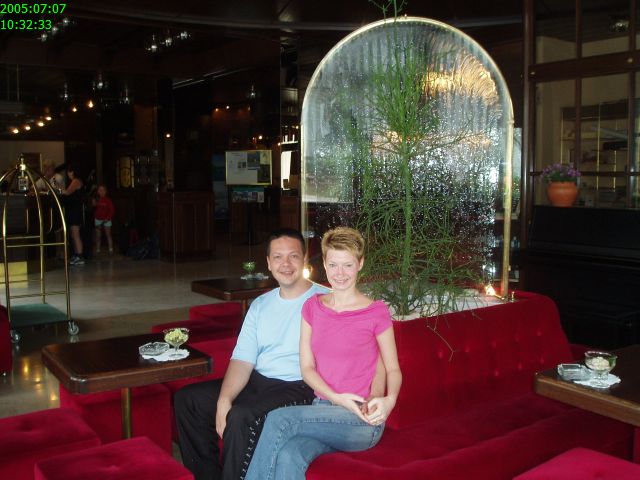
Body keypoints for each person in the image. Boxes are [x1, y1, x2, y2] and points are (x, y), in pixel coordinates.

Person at [245, 227, 402, 480]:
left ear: (360, 264)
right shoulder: (313, 307)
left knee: (278, 420)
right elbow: (307, 368)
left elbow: (392, 368)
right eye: (333, 265)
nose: (340, 273)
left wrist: (388, 400)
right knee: (290, 455)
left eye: (348, 265)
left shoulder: (376, 312)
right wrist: (337, 398)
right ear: (325, 265)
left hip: (361, 418)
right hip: (322, 409)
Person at [174, 228, 330, 480]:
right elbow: (242, 359)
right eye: (278, 257)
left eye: (293, 256)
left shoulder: (326, 301)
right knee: (189, 400)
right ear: (268, 263)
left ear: (304, 259)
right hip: (259, 381)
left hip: (300, 386)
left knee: (241, 416)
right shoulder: (260, 305)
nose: (286, 264)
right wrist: (224, 399)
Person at [61, 164, 85, 266]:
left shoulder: (76, 181)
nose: (68, 174)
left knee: (76, 234)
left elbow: (67, 192)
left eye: (69, 171)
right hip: (73, 210)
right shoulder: (74, 181)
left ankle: (80, 256)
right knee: (73, 234)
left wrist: (58, 188)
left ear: (73, 172)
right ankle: (76, 255)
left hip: (75, 211)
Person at [93, 185, 115, 254]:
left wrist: (107, 218)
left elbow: (112, 210)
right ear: (97, 191)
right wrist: (94, 203)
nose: (102, 192)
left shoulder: (108, 200)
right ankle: (98, 249)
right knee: (98, 235)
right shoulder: (95, 199)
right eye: (100, 190)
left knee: (108, 234)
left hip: (107, 219)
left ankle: (111, 249)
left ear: (105, 191)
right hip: (98, 220)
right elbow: (93, 210)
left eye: (103, 190)